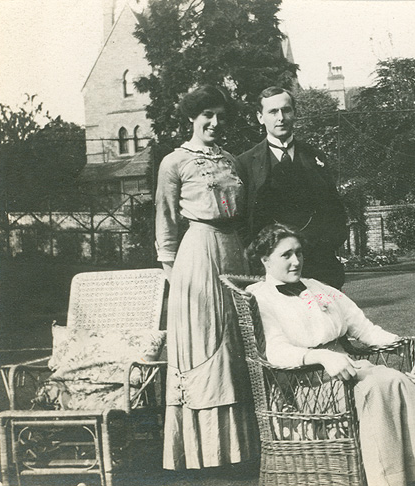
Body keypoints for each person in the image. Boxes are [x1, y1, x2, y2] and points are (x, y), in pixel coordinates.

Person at [245, 223, 415, 486]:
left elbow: (365, 328)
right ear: (265, 260)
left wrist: (406, 346)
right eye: (286, 255)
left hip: (346, 372)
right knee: (374, 388)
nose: (296, 261)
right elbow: (275, 351)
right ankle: (388, 481)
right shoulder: (259, 297)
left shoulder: (317, 287)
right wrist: (321, 357)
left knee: (399, 381)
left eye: (298, 252)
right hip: (304, 386)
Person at [155, 85, 258, 470]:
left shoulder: (230, 160)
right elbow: (165, 220)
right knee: (206, 339)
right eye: (207, 115)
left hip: (235, 252)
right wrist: (174, 276)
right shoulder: (174, 162)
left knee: (239, 340)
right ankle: (206, 452)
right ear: (192, 118)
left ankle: (241, 449)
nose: (215, 122)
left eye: (221, 116)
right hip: (197, 255)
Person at [236, 86, 349, 289]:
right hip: (269, 270)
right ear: (260, 117)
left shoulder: (315, 157)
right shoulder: (245, 163)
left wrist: (325, 246)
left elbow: (335, 211)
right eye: (273, 112)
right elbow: (243, 222)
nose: (281, 118)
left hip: (319, 266)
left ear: (294, 113)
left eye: (286, 110)